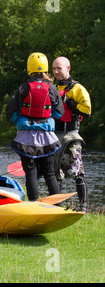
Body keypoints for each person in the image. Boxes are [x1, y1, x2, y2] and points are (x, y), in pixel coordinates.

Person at [6, 52, 64, 201]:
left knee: (30, 174)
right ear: (46, 69)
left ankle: (33, 205)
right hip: (47, 138)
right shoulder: (52, 88)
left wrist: (21, 121)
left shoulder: (23, 88)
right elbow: (59, 113)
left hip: (26, 138)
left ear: (29, 69)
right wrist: (47, 119)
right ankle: (56, 206)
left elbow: (10, 113)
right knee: (49, 173)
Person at [52, 56, 91, 212]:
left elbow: (87, 111)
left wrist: (70, 103)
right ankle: (57, 207)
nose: (56, 72)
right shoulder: (53, 88)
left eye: (59, 68)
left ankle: (84, 206)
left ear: (68, 68)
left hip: (71, 136)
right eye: (54, 69)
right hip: (54, 135)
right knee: (56, 173)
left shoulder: (78, 89)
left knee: (77, 171)